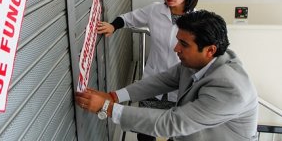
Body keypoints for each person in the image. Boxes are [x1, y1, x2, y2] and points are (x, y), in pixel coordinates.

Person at [76, 10, 259, 141]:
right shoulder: (199, 61)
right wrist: (114, 97)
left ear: (210, 50)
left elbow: (173, 122)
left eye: (184, 44)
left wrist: (108, 108)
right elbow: (162, 80)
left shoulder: (231, 89)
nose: (176, 48)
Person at [97, 0, 199, 141]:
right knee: (144, 132)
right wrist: (113, 26)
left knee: (174, 133)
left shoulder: (198, 21)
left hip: (181, 88)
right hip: (153, 82)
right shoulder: (155, 10)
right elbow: (128, 18)